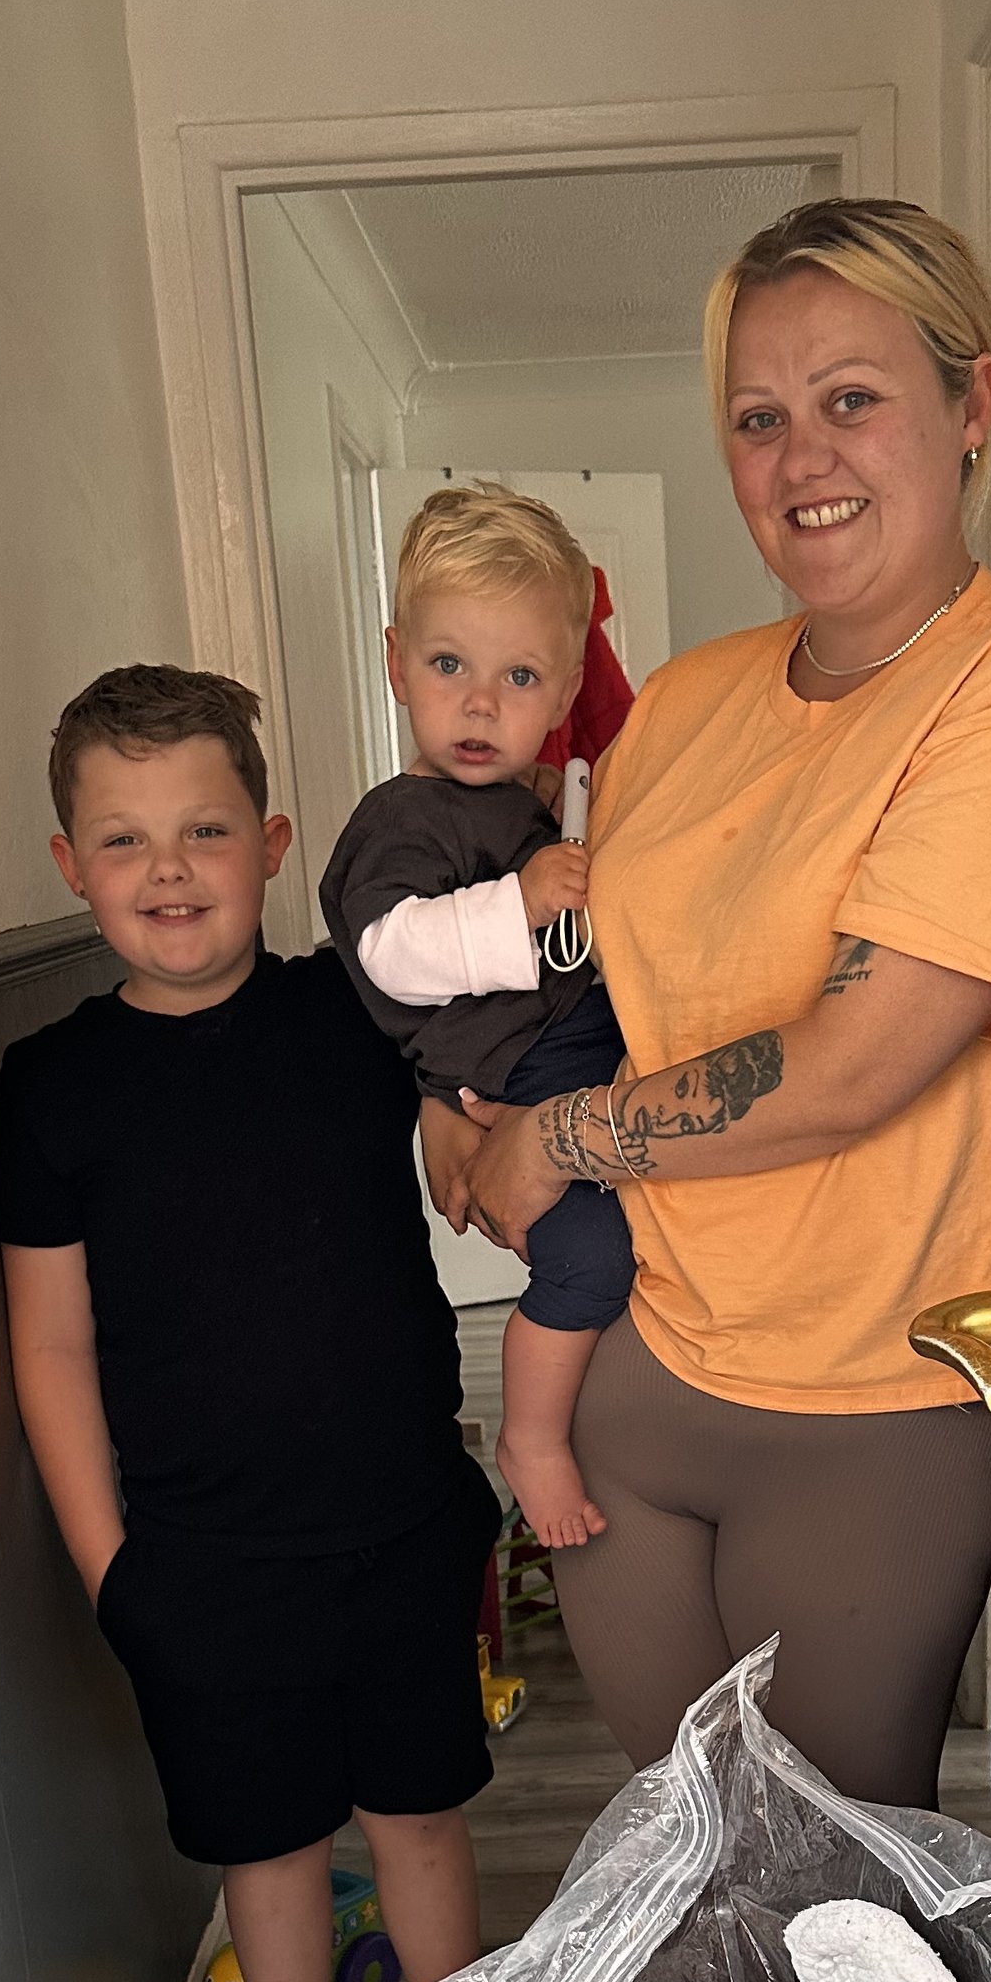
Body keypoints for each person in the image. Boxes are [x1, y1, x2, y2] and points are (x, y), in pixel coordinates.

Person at [442, 198, 991, 1814]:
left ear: (973, 404)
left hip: (873, 1409)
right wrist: (458, 1102)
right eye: (758, 418)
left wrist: (554, 1140)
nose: (800, 457)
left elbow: (848, 1068)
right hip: (639, 1371)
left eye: (852, 398)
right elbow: (567, 984)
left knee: (843, 1893)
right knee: (685, 1835)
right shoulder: (688, 703)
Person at [0, 664, 500, 1982]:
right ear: (72, 866)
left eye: (204, 831)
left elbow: (475, 1121)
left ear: (272, 845)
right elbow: (50, 1340)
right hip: (200, 1564)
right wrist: (111, 1573)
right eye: (126, 840)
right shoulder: (52, 1087)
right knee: (266, 1846)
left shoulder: (356, 1018)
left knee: (421, 1819)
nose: (169, 871)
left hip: (400, 1519)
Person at [321, 487, 633, 1551]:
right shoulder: (400, 819)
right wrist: (523, 900)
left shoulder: (530, 800)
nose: (479, 706)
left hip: (570, 1052)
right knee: (589, 1258)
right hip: (521, 1071)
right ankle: (533, 1438)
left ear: (563, 692)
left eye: (519, 677)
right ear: (396, 662)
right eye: (449, 666)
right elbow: (389, 952)